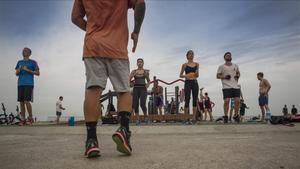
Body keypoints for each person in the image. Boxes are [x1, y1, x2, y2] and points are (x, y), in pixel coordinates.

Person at [71, 0, 146, 158]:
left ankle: (91, 141)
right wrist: (136, 31)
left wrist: (92, 30)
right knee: (124, 90)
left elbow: (75, 18)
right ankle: (124, 131)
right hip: (117, 47)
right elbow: (140, 3)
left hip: (93, 46)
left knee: (93, 89)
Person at [15, 47, 40, 125]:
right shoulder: (19, 62)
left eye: (25, 51)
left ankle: (30, 118)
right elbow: (16, 73)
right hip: (20, 84)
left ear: (29, 53)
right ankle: (23, 119)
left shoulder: (33, 62)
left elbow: (38, 73)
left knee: (26, 101)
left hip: (29, 84)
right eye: (23, 51)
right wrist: (19, 70)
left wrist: (28, 70)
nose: (23, 52)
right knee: (21, 102)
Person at [217, 52, 241, 123]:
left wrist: (238, 76)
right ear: (224, 58)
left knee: (238, 101)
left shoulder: (236, 65)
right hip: (226, 86)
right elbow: (217, 76)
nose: (229, 56)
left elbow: (238, 72)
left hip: (235, 86)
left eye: (230, 55)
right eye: (227, 55)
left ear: (231, 57)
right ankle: (226, 116)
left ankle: (236, 116)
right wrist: (224, 77)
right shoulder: (221, 66)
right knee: (226, 101)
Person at [179, 50, 199, 123]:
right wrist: (185, 75)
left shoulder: (197, 64)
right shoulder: (184, 65)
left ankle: (193, 118)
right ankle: (185, 118)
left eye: (192, 54)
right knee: (187, 99)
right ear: (187, 56)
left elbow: (197, 75)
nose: (191, 55)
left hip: (194, 82)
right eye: (189, 54)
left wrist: (196, 73)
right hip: (187, 82)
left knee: (195, 100)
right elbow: (180, 75)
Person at [129, 58, 150, 125]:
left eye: (141, 62)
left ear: (143, 63)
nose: (139, 63)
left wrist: (147, 84)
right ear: (137, 63)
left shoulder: (145, 71)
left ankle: (146, 117)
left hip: (143, 89)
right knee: (135, 104)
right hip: (135, 89)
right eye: (138, 62)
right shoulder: (134, 71)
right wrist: (130, 83)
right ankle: (137, 119)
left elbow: (149, 81)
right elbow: (128, 79)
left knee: (142, 104)